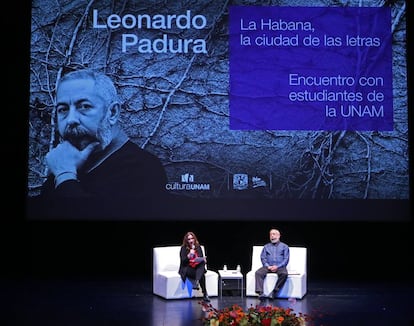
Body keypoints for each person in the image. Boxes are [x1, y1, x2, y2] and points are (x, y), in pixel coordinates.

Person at [37, 69, 168, 217]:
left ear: (112, 113)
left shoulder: (144, 169)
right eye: (63, 109)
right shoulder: (66, 161)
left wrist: (64, 175)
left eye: (84, 106)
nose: (70, 119)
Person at [255, 228, 289, 300]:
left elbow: (286, 259)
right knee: (258, 273)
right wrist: (268, 266)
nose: (272, 236)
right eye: (270, 234)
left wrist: (277, 266)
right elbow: (263, 258)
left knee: (284, 274)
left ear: (279, 236)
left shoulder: (284, 246)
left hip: (280, 267)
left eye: (274, 234)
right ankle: (261, 293)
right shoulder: (266, 246)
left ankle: (274, 292)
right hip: (268, 266)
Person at [178, 231, 210, 302]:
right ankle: (205, 294)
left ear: (194, 239)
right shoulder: (183, 248)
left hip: (197, 267)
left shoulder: (198, 247)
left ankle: (197, 281)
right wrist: (189, 255)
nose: (191, 241)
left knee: (202, 264)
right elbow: (183, 262)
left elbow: (201, 257)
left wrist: (203, 260)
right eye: (189, 239)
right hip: (188, 268)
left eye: (192, 238)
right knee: (202, 275)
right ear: (186, 240)